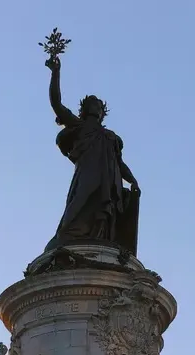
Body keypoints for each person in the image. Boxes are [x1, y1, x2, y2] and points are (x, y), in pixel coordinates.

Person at [44, 55, 140, 253]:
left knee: (105, 210)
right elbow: (56, 104)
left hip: (110, 179)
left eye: (99, 105)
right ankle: (66, 234)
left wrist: (132, 180)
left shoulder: (110, 137)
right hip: (88, 173)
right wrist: (55, 73)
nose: (96, 106)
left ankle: (101, 239)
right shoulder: (79, 125)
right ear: (84, 109)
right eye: (92, 103)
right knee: (80, 201)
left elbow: (119, 162)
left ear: (103, 112)